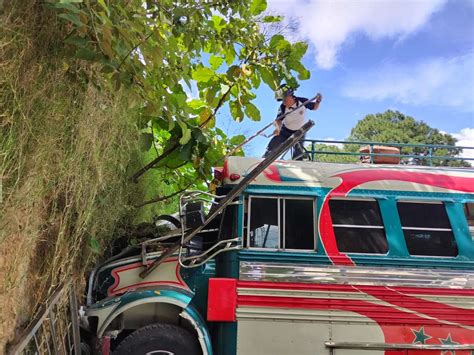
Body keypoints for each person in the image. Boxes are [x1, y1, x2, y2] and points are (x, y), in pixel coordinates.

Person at [263, 85, 322, 160]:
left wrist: (318, 101)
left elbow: (314, 107)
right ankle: (265, 159)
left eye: (284, 100)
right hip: (285, 130)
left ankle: (298, 164)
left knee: (298, 152)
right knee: (273, 143)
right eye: (282, 101)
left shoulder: (302, 101)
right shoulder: (282, 107)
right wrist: (277, 129)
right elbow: (278, 120)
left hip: (300, 132)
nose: (284, 103)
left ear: (290, 96)